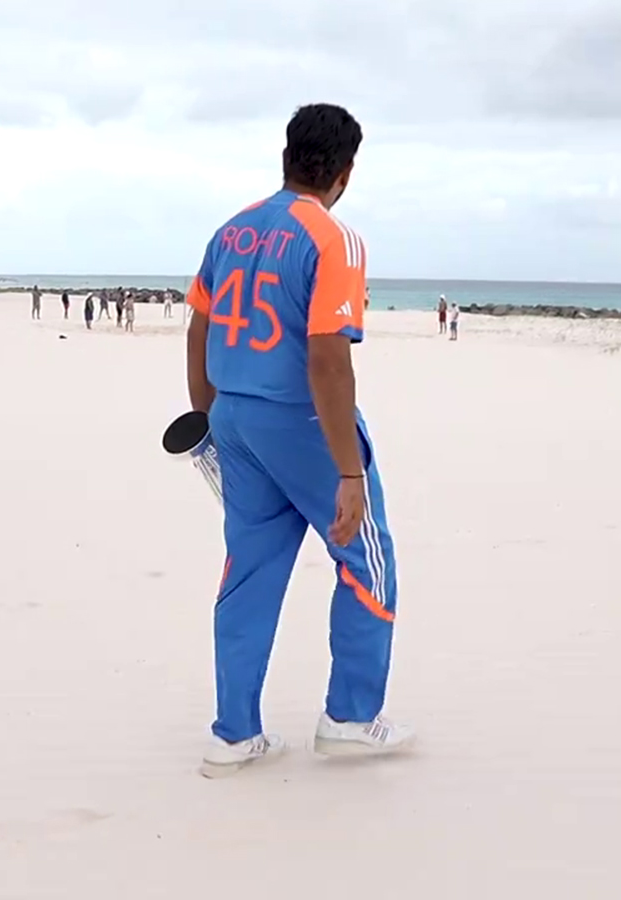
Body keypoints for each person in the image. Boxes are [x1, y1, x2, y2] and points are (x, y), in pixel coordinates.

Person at [184, 102, 413, 778]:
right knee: (368, 561)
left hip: (232, 418)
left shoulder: (231, 231)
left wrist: (208, 424)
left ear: (287, 155)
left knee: (248, 572)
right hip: (302, 423)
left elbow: (198, 330)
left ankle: (234, 734)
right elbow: (326, 356)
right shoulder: (333, 238)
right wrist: (348, 471)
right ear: (345, 171)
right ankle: (349, 717)